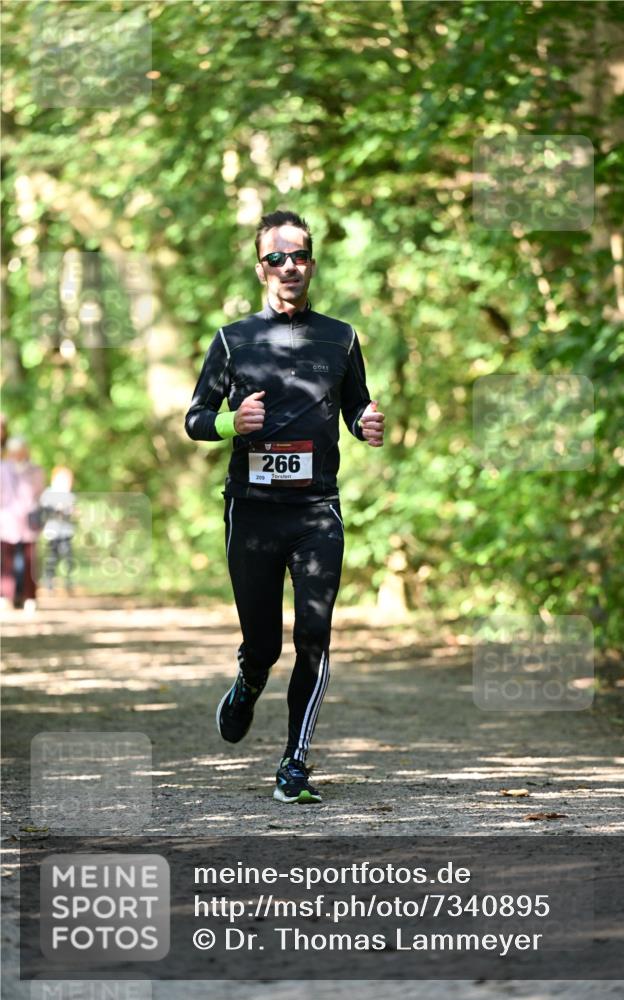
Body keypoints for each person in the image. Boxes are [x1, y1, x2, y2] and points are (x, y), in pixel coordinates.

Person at [185, 209, 384, 804]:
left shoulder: (341, 337)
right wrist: (230, 420)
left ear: (311, 264)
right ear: (260, 268)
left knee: (315, 637)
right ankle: (248, 682)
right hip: (251, 514)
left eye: (298, 256)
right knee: (265, 645)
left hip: (317, 511)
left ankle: (295, 764)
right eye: (277, 257)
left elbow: (356, 407)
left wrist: (365, 422)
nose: (288, 266)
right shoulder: (232, 339)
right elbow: (195, 420)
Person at [0, 436, 45, 613]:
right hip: (7, 521)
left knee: (29, 561)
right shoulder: (2, 469)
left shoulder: (35, 469)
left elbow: (39, 493)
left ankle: (29, 597)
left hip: (28, 522)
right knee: (7, 562)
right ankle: (6, 597)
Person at [40, 466, 76, 594]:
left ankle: (68, 582)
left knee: (68, 558)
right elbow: (44, 511)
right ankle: (49, 583)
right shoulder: (48, 493)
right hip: (52, 532)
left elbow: (71, 512)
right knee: (51, 558)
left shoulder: (70, 495)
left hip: (66, 532)